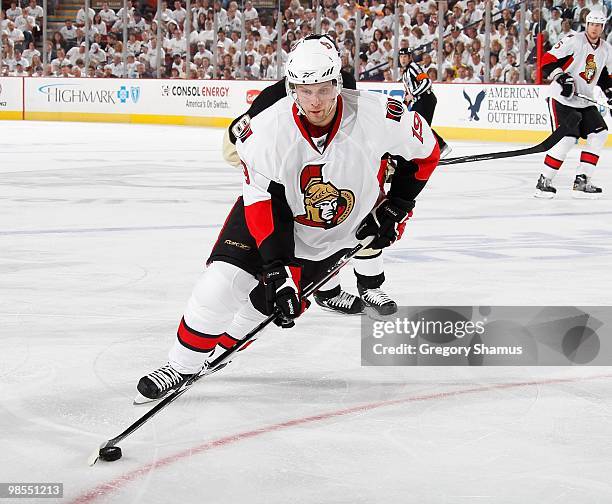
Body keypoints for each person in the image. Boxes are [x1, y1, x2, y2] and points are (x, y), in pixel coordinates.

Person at [136, 36, 440, 402]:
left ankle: (219, 353)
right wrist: (277, 269)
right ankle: (181, 365)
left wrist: (396, 205)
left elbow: (427, 153)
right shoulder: (265, 128)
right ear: (291, 86)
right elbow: (263, 204)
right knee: (220, 284)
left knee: (263, 306)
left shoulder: (379, 115)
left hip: (332, 232)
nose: (316, 102)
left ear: (338, 82)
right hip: (270, 214)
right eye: (305, 90)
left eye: (324, 89)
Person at [223, 35, 400, 318]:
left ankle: (345, 288)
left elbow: (358, 133)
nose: (315, 97)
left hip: (307, 159)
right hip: (259, 155)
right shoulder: (277, 96)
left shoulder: (342, 83)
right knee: (312, 223)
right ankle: (325, 290)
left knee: (346, 217)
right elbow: (237, 140)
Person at [536, 11, 611, 199]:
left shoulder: (606, 49)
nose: (595, 28)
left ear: (602, 28)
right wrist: (562, 78)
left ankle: (582, 180)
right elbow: (547, 60)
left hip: (584, 100)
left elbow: (603, 76)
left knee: (599, 133)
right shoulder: (573, 40)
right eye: (592, 24)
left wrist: (610, 94)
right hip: (562, 99)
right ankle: (544, 180)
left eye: (598, 25)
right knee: (567, 139)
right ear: (586, 24)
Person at [399, 47, 451, 158]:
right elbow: (408, 93)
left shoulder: (413, 67)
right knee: (416, 126)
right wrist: (403, 104)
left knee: (421, 127)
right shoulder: (405, 73)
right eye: (401, 57)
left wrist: (413, 94)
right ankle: (434, 148)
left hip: (426, 99)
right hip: (420, 101)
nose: (402, 59)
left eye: (405, 57)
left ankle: (441, 147)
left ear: (410, 57)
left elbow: (427, 82)